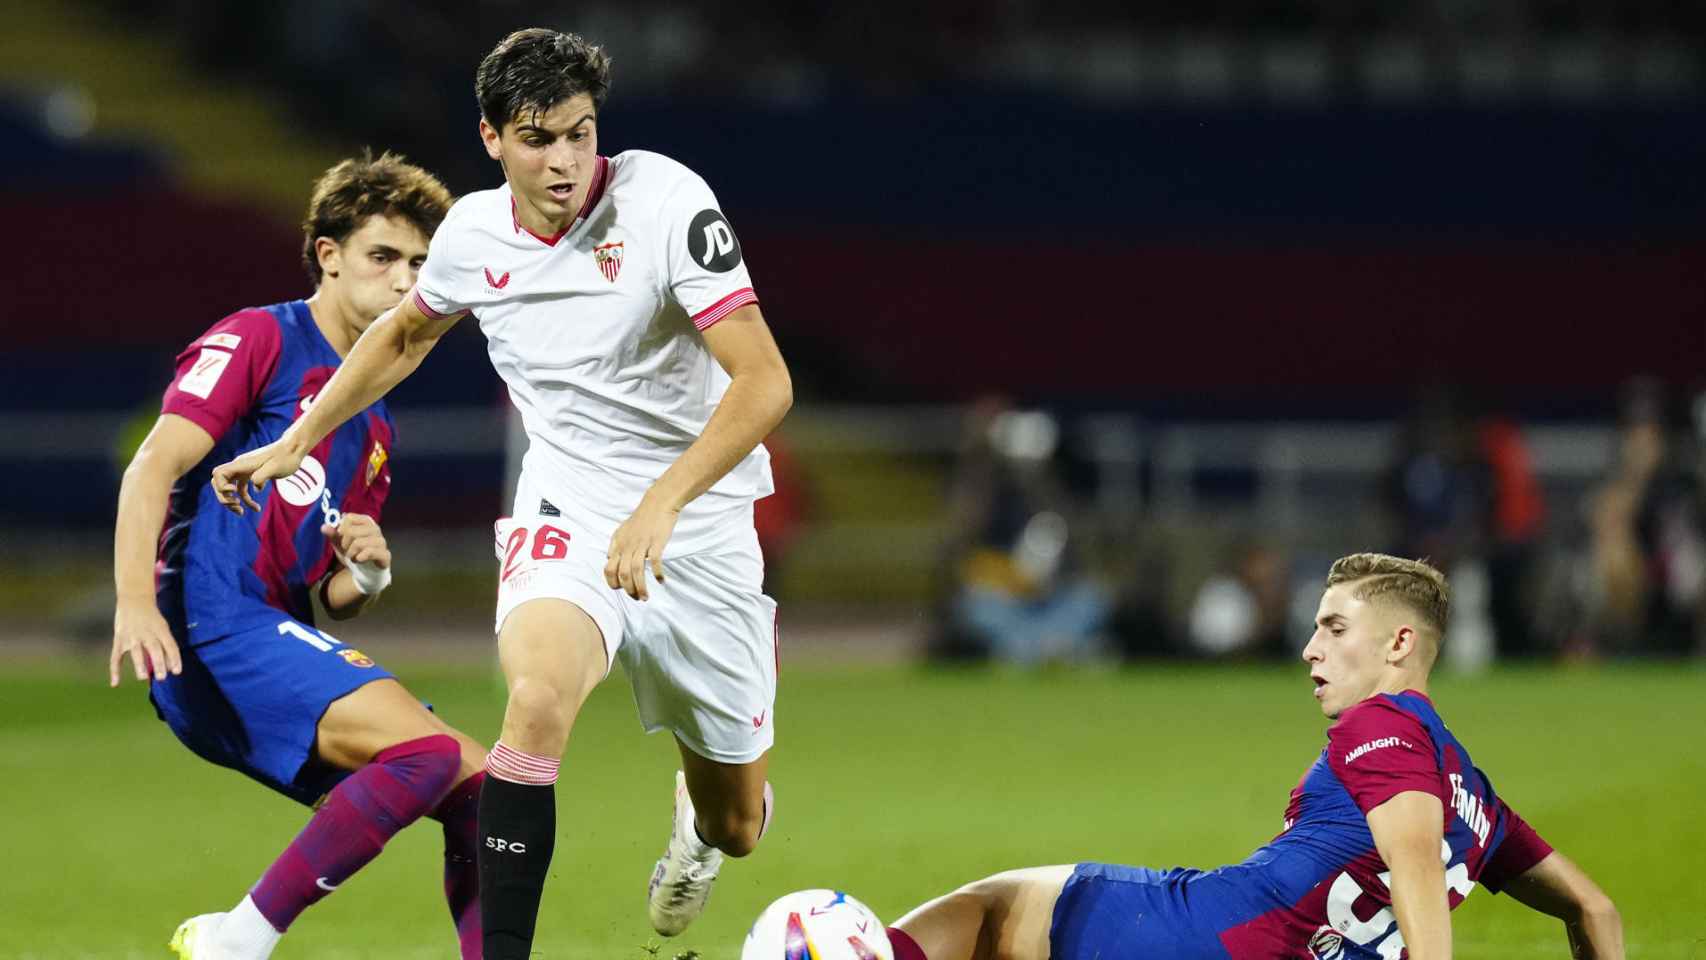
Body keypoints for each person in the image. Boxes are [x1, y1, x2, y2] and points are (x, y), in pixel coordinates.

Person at [210, 28, 793, 959]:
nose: (564, 161)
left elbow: (765, 383)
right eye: (538, 138)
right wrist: (294, 439)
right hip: (569, 507)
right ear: (491, 140)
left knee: (739, 826)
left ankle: (698, 822)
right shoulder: (476, 236)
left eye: (580, 133)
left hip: (701, 522)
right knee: (534, 703)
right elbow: (403, 337)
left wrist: (664, 504)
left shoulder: (665, 200)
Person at [110, 152, 488, 960]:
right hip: (206, 626)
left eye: (419, 264)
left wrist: (370, 571)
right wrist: (134, 603)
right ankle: (237, 941)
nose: (402, 280)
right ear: (328, 255)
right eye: (383, 256)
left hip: (268, 632)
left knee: (481, 788)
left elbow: (332, 595)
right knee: (424, 755)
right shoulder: (260, 338)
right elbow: (152, 468)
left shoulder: (373, 426)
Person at [882, 554, 1624, 960]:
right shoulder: (1474, 796)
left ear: (1401, 644)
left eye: (1334, 628)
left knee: (988, 911)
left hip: (1190, 936)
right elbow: (1595, 909)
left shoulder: (1382, 729)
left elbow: (1417, 866)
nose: (1311, 649)